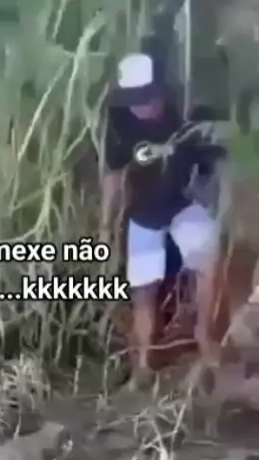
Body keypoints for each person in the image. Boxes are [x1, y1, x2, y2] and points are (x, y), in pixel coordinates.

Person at [101, 51, 226, 387]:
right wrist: (106, 223)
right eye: (134, 100)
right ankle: (143, 365)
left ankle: (205, 341)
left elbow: (210, 162)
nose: (142, 106)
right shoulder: (119, 124)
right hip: (144, 214)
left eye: (146, 98)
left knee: (208, 260)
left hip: (182, 205)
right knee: (143, 291)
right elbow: (113, 176)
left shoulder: (181, 114)